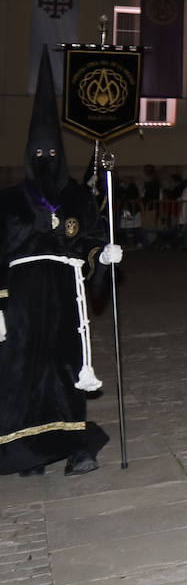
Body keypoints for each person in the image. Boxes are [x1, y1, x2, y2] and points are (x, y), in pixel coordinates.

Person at [0, 49, 121, 477]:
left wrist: (101, 254)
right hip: (22, 300)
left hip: (66, 296)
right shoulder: (9, 200)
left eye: (52, 151)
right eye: (38, 151)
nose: (45, 157)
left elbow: (87, 239)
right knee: (22, 371)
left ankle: (74, 446)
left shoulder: (77, 197)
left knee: (66, 366)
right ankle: (27, 452)